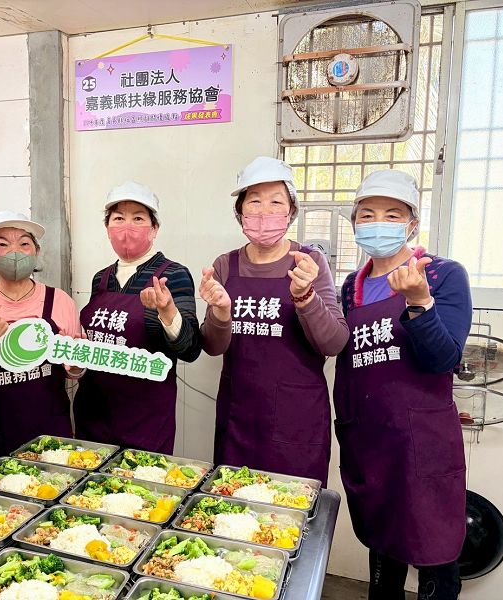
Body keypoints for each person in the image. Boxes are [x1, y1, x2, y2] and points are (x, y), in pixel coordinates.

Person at [333, 169, 471, 600]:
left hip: (421, 444)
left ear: (412, 223)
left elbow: (444, 359)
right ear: (355, 223)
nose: (378, 223)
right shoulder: (351, 287)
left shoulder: (442, 275)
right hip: (370, 443)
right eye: (367, 214)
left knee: (435, 554)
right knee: (382, 552)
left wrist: (419, 302)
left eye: (392, 214)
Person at [199, 156, 348, 485]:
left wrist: (305, 296)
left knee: (291, 510)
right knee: (232, 507)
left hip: (297, 422)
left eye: (276, 202)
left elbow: (334, 342)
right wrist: (221, 312)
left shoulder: (309, 262)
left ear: (291, 211)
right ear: (240, 211)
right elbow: (211, 346)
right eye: (254, 201)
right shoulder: (225, 265)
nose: (264, 212)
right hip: (239, 419)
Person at [74, 181, 201, 453]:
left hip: (145, 420)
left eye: (138, 218)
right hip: (94, 414)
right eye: (118, 218)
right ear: (107, 228)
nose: (127, 227)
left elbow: (191, 349)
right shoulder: (101, 278)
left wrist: (168, 312)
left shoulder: (173, 274)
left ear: (154, 229)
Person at [0, 211, 84, 469]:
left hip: (50, 434)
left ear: (36, 252)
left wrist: (77, 363)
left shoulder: (60, 301)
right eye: (2, 244)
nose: (15, 252)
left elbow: (73, 373)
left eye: (24, 243)